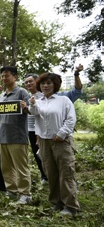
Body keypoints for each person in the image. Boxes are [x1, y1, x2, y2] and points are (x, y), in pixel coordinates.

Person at [29, 73, 79, 216]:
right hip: (44, 141)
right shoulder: (39, 101)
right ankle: (57, 202)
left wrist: (61, 134)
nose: (45, 86)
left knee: (66, 172)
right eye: (43, 83)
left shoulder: (63, 100)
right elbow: (34, 114)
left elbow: (70, 119)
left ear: (55, 85)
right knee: (50, 172)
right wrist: (32, 104)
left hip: (61, 141)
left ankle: (70, 206)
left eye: (49, 83)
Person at [0, 66, 32, 204]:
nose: (4, 78)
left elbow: (31, 111)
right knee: (6, 167)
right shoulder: (1, 95)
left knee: (21, 167)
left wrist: (25, 107)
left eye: (7, 76)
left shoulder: (22, 92)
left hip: (17, 137)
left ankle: (25, 194)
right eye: (2, 76)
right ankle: (11, 191)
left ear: (15, 77)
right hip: (2, 136)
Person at [23, 73, 48, 184]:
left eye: (30, 81)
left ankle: (50, 175)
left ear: (37, 81)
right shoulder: (27, 96)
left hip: (42, 129)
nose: (28, 84)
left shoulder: (43, 95)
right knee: (36, 153)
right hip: (30, 129)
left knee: (45, 153)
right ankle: (44, 176)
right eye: (26, 82)